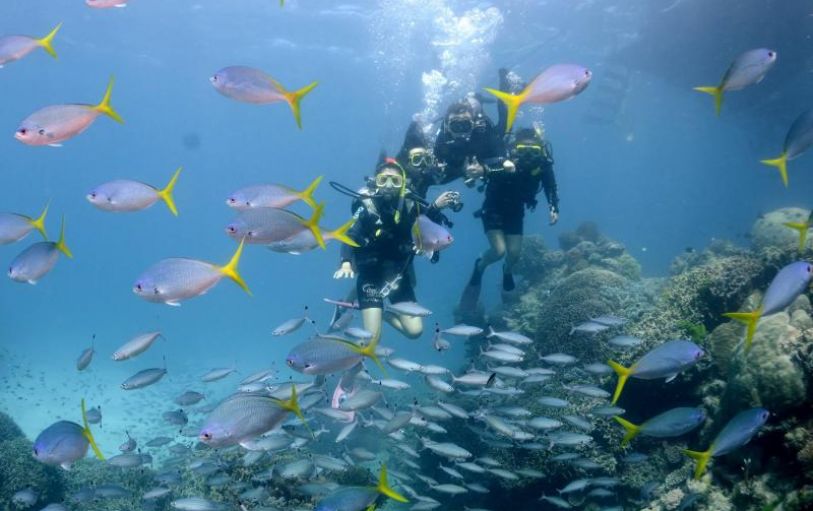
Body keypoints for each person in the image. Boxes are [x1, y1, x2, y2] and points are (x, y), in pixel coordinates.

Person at [459, 70, 560, 312]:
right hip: (493, 208)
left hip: (516, 211)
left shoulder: (542, 164)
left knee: (513, 255)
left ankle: (506, 271)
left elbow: (550, 185)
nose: (527, 156)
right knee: (499, 250)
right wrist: (486, 170)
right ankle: (480, 267)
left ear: (540, 151)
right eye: (523, 151)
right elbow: (488, 170)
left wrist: (553, 207)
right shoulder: (506, 160)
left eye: (532, 152)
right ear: (515, 150)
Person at [333, 158, 454, 342]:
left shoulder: (410, 203)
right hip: (370, 275)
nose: (389, 186)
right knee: (372, 341)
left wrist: (435, 207)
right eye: (383, 180)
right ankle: (364, 305)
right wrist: (346, 263)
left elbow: (425, 224)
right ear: (375, 182)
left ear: (403, 183)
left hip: (398, 275)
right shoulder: (367, 205)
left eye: (395, 181)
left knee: (415, 332)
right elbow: (351, 234)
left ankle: (372, 309)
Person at [433, 95, 514, 185]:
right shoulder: (443, 137)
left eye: (466, 125)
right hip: (464, 162)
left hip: (482, 151)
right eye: (456, 127)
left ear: (473, 124)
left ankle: (479, 98)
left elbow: (502, 156)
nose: (462, 132)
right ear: (448, 127)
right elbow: (437, 160)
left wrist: (484, 170)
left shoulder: (483, 131)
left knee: (503, 129)